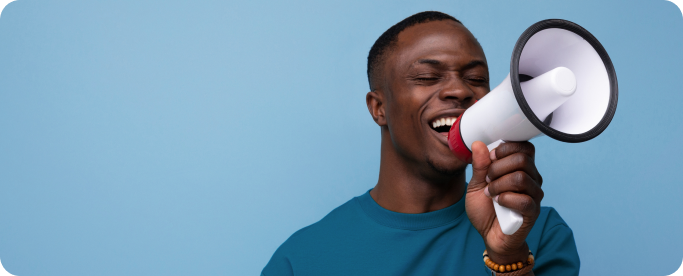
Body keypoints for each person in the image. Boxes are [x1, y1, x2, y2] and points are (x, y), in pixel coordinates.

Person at [261, 11, 579, 276]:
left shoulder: (538, 233)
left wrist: (509, 257)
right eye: (427, 77)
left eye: (477, 79)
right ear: (379, 108)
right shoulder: (301, 261)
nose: (460, 90)